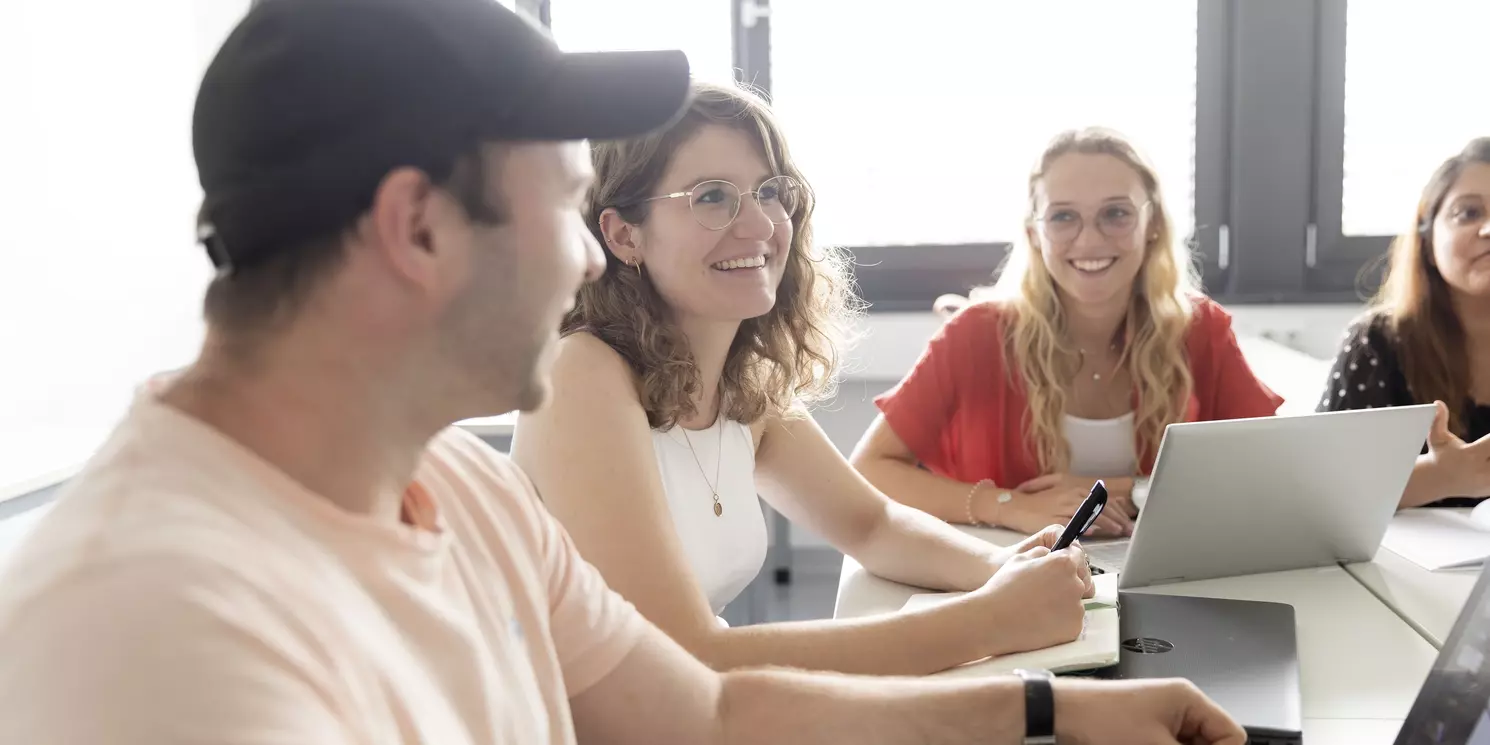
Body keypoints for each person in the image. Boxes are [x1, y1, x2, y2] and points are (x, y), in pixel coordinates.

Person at [0, 2, 1247, 744]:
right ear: (417, 230)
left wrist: (1051, 715)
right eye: (562, 209)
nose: (578, 259)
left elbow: (706, 716)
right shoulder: (155, 627)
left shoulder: (458, 489)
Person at [510, 80, 1095, 678]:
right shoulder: (580, 374)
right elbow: (683, 653)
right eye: (713, 196)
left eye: (769, 191)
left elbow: (872, 525)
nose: (761, 225)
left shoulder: (743, 382)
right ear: (622, 234)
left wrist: (1007, 570)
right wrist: (991, 619)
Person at [851, 128, 1282, 539]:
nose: (1089, 240)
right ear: (1034, 234)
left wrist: (1134, 490)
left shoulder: (1198, 328)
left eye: (1116, 214)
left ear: (1152, 225)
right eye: (1063, 217)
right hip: (1005, 574)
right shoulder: (976, 333)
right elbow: (871, 468)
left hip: (1154, 573)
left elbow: (1272, 461)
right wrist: (1008, 505)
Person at [1318, 137, 1490, 509]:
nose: (1488, 230)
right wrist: (1441, 477)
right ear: (1427, 238)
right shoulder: (1376, 342)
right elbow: (1321, 494)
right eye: (1469, 213)